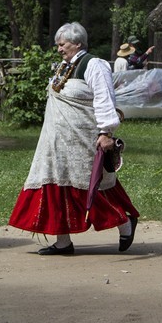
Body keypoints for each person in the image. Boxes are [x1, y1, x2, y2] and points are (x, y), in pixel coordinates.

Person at [9, 22, 139, 255]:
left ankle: (124, 223)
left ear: (77, 43)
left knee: (89, 186)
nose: (59, 48)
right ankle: (62, 242)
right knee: (58, 187)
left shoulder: (93, 65)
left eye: (63, 44)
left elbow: (104, 98)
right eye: (58, 44)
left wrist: (106, 132)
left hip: (83, 140)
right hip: (56, 143)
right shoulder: (64, 67)